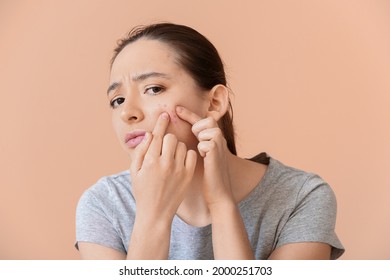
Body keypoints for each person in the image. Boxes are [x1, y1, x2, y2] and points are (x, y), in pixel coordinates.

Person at [75, 23, 344, 260]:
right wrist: (153, 215)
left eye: (153, 89)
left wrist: (221, 204)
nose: (127, 112)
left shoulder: (302, 197)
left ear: (215, 102)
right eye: (117, 100)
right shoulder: (104, 205)